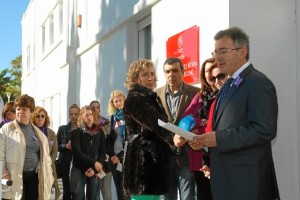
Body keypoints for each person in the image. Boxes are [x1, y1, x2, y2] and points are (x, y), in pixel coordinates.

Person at [190, 26, 280, 200]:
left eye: (223, 51)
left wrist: (218, 139)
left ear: (242, 51)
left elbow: (264, 129)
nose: (218, 57)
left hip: (247, 185)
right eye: (215, 52)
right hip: (226, 182)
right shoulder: (230, 84)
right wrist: (205, 142)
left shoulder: (258, 83)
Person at [123, 59, 175, 200]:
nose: (151, 78)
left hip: (153, 166)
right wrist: (173, 136)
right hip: (143, 167)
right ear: (135, 78)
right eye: (145, 74)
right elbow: (155, 121)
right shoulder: (135, 98)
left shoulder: (151, 97)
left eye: (152, 73)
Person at [156, 57, 199, 200]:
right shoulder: (156, 95)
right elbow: (153, 124)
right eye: (167, 71)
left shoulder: (195, 93)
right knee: (166, 197)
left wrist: (190, 134)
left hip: (187, 155)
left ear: (183, 71)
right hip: (165, 156)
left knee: (188, 197)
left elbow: (201, 120)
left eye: (175, 70)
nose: (171, 74)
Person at [0, 94, 54, 200]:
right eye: (18, 109)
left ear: (32, 112)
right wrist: (4, 173)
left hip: (34, 177)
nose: (20, 112)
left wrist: (49, 176)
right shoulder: (6, 129)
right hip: (14, 176)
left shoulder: (38, 133)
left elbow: (46, 158)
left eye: (24, 109)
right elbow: (0, 153)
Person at [180, 58, 220, 200]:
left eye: (212, 70)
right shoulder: (200, 96)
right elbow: (185, 119)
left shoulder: (223, 94)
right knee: (204, 195)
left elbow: (219, 123)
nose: (210, 74)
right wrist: (202, 121)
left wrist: (200, 127)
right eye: (207, 71)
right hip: (200, 156)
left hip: (217, 153)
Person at [70, 105, 106, 200]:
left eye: (91, 114)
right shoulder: (76, 132)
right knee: (78, 197)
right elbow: (77, 153)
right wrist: (93, 163)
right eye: (86, 115)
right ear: (81, 117)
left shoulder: (100, 132)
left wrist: (94, 168)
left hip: (94, 171)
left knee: (93, 197)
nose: (89, 117)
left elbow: (103, 152)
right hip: (79, 169)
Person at [32, 106, 61, 200]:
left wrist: (47, 162)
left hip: (49, 167)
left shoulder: (51, 133)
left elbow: (54, 151)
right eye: (37, 116)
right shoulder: (31, 131)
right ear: (33, 118)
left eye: (42, 116)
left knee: (49, 192)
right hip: (34, 168)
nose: (40, 118)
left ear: (45, 118)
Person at [106, 90, 130, 200]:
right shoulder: (113, 117)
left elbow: (130, 138)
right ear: (113, 103)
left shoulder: (129, 116)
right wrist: (112, 155)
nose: (118, 103)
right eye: (116, 101)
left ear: (124, 100)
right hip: (114, 159)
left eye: (120, 100)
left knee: (126, 190)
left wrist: (120, 156)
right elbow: (110, 138)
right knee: (118, 190)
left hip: (126, 157)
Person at [90, 100, 112, 200]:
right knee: (95, 190)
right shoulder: (86, 123)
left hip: (106, 161)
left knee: (106, 189)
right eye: (93, 107)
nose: (95, 109)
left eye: (97, 107)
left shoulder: (106, 122)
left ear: (100, 109)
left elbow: (111, 139)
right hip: (93, 161)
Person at [57, 103, 80, 200]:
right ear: (69, 115)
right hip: (65, 162)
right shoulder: (62, 129)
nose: (73, 116)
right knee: (66, 190)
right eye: (71, 114)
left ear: (79, 115)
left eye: (76, 114)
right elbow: (56, 146)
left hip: (78, 163)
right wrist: (65, 146)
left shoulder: (82, 129)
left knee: (78, 190)